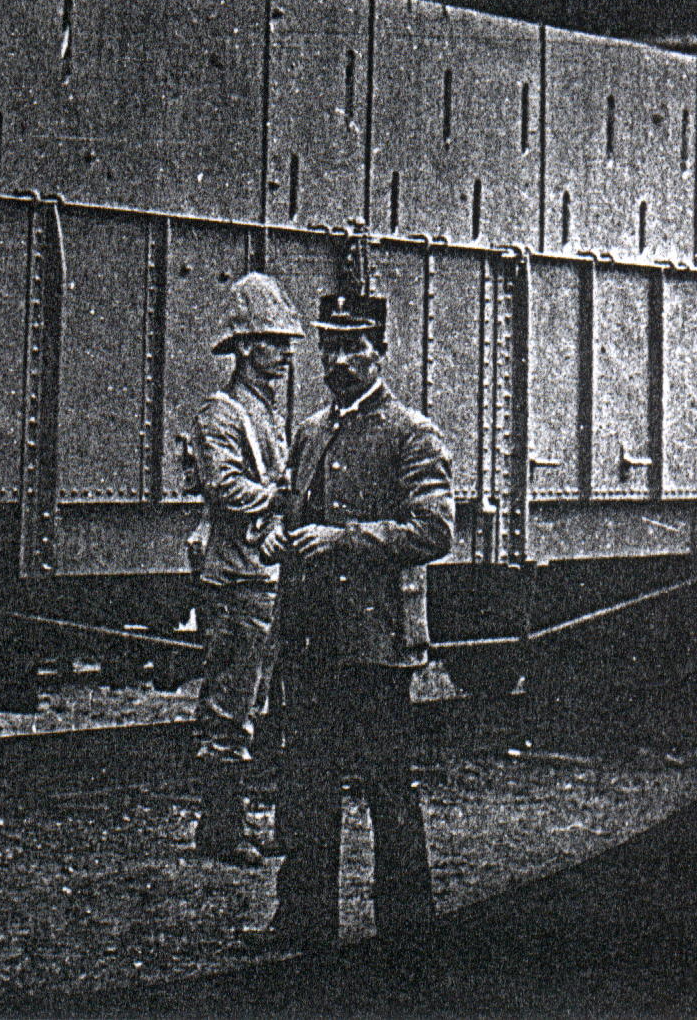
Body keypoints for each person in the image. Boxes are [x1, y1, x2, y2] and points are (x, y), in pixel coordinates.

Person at [256, 289, 453, 952]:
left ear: (381, 352)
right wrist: (279, 535)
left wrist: (345, 539)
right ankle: (304, 921)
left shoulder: (411, 432)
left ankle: (407, 928)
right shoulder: (311, 431)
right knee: (307, 784)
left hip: (374, 644)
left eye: (355, 347)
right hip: (312, 639)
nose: (340, 361)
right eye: (331, 348)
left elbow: (435, 529)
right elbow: (292, 510)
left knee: (387, 787)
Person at [187, 272, 302, 867]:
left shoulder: (264, 411)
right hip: (236, 581)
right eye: (273, 343)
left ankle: (245, 822)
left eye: (285, 344)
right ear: (246, 347)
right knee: (230, 709)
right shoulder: (222, 413)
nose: (284, 355)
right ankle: (220, 829)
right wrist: (282, 498)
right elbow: (225, 486)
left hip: (264, 577)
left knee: (257, 704)